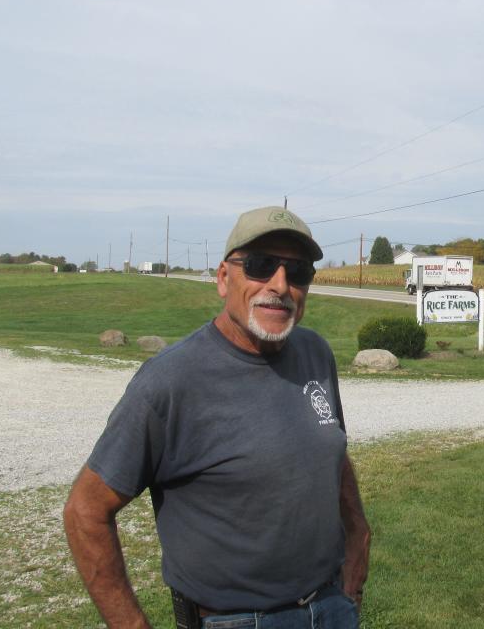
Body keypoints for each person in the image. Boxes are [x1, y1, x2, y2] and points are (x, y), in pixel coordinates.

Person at [64, 206, 371, 628]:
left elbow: (332, 448)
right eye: (262, 266)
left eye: (298, 272)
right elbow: (85, 510)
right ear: (225, 279)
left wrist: (358, 533)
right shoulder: (171, 381)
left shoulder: (314, 353)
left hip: (330, 607)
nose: (280, 285)